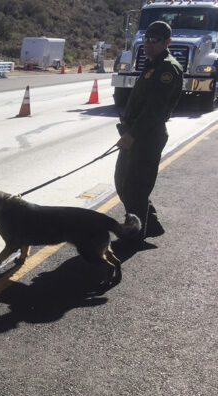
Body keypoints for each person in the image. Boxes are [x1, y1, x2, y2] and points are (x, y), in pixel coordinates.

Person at [114, 20, 183, 247]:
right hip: (136, 132)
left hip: (147, 135)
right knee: (123, 182)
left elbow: (155, 110)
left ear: (167, 42)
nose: (148, 44)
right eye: (146, 39)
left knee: (135, 187)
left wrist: (132, 134)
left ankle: (134, 236)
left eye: (155, 40)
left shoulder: (167, 69)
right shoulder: (153, 64)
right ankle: (150, 224)